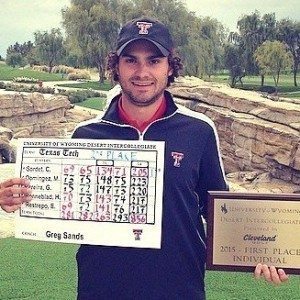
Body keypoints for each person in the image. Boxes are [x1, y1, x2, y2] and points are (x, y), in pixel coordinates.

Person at [0, 16, 288, 299]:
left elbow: (219, 211)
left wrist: (261, 251)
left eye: (153, 60)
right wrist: (18, 197)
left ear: (169, 67)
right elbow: (61, 202)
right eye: (131, 60)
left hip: (179, 287)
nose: (142, 72)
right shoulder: (87, 133)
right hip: (101, 288)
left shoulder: (199, 131)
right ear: (116, 66)